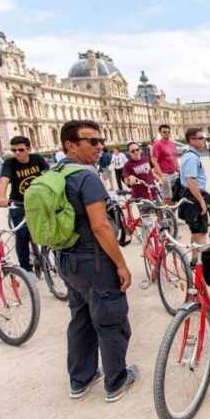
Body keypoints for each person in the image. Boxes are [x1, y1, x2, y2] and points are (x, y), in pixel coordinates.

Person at [56, 120, 137, 402]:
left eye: (100, 140)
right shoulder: (86, 177)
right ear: (70, 145)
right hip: (94, 261)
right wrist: (121, 265)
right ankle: (116, 381)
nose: (100, 146)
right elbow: (101, 227)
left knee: (80, 319)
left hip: (66, 259)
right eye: (92, 141)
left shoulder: (53, 173)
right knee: (110, 320)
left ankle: (81, 379)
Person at [0, 136, 49, 274]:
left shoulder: (37, 159)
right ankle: (26, 270)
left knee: (49, 230)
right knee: (22, 236)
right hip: (19, 203)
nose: (17, 153)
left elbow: (50, 176)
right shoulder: (10, 163)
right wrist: (2, 197)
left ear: (29, 149)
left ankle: (50, 259)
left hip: (39, 202)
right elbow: (3, 180)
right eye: (14, 150)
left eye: (21, 150)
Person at [179, 128, 210, 265]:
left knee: (195, 231)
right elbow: (191, 181)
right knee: (201, 234)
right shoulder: (192, 157)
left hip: (190, 197)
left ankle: (194, 260)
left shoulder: (188, 154)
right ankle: (206, 266)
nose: (204, 140)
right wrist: (202, 202)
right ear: (191, 140)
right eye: (200, 138)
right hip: (194, 197)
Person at [151, 124, 180, 205]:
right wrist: (161, 175)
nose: (167, 133)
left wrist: (178, 168)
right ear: (160, 133)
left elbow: (175, 157)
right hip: (165, 174)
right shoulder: (157, 145)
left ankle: (171, 216)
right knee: (167, 198)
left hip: (174, 174)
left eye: (168, 132)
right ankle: (164, 216)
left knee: (174, 197)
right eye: (164, 132)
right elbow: (154, 160)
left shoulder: (172, 143)